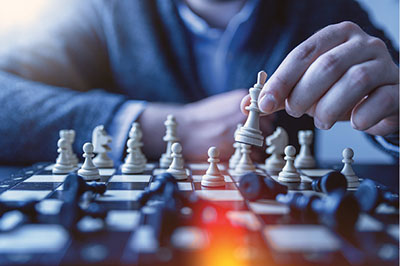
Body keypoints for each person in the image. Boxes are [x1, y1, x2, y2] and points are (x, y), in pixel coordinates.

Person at [0, 0, 398, 165]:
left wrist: (396, 121)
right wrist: (159, 127)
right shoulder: (98, 10)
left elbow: (389, 86)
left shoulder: (325, 10)